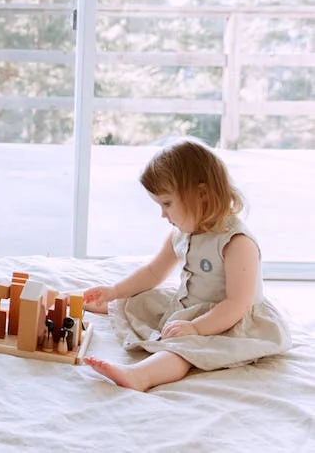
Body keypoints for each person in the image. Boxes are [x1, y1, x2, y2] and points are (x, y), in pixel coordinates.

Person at [82, 139, 291, 391]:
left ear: (201, 194)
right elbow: (153, 272)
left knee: (185, 349)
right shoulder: (183, 233)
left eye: (167, 204)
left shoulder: (236, 243)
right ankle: (116, 308)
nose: (163, 214)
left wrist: (196, 327)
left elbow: (238, 303)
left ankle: (141, 376)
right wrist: (115, 292)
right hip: (193, 306)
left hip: (228, 319)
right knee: (141, 299)